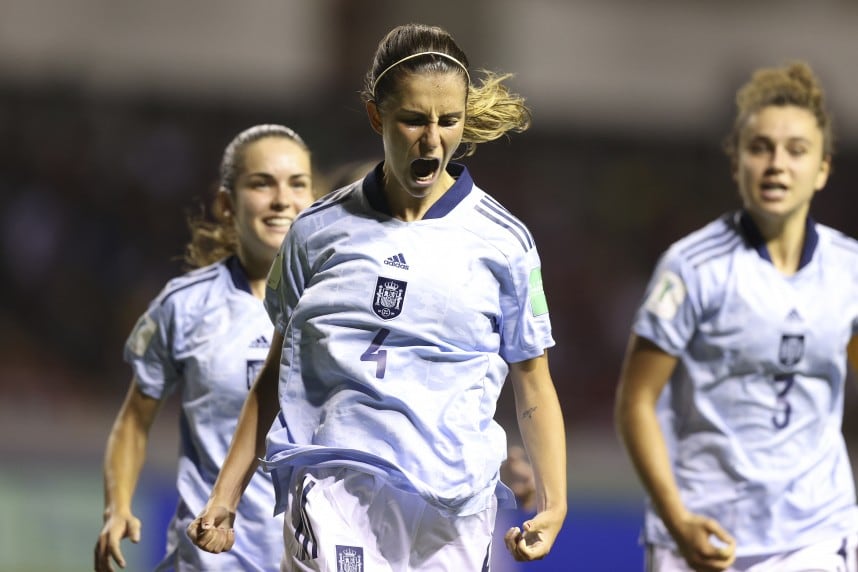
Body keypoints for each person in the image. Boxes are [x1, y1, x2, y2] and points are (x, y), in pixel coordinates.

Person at [187, 22, 567, 571]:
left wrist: (555, 503)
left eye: (449, 121)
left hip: (453, 508)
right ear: (377, 116)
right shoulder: (315, 233)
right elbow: (277, 373)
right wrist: (226, 496)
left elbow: (533, 384)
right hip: (336, 481)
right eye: (413, 120)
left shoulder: (504, 243)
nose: (432, 140)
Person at [615, 61, 858, 572]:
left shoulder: (849, 271)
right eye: (760, 148)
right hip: (702, 531)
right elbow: (636, 400)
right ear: (736, 163)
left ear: (823, 169)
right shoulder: (691, 267)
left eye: (796, 151)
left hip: (814, 533)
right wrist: (677, 519)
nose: (776, 164)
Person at [94, 124, 316, 572]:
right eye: (261, 183)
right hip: (207, 561)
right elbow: (134, 420)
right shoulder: (184, 305)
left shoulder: (341, 306)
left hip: (310, 559)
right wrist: (117, 506)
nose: (281, 200)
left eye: (297, 184)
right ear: (226, 204)